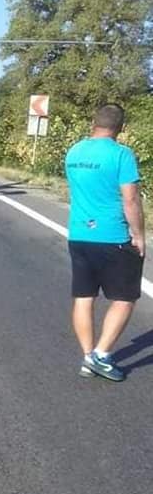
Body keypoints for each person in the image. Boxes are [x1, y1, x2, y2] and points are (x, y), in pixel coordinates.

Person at [65, 102, 145, 382]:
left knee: (84, 296)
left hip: (78, 234)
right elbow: (130, 199)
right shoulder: (122, 154)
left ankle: (88, 357)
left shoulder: (74, 151)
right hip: (113, 237)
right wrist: (138, 234)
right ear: (120, 127)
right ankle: (101, 355)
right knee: (124, 298)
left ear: (93, 123)